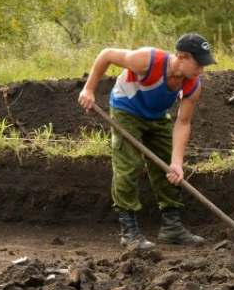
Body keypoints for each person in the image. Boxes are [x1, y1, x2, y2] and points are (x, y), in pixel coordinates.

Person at [77, 33, 216, 252]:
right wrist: (89, 89)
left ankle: (172, 227)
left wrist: (176, 162)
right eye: (198, 63)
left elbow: (183, 122)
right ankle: (129, 232)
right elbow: (106, 55)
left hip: (156, 115)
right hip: (127, 109)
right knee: (128, 165)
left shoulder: (192, 85)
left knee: (168, 167)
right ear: (181, 57)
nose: (201, 70)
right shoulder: (147, 60)